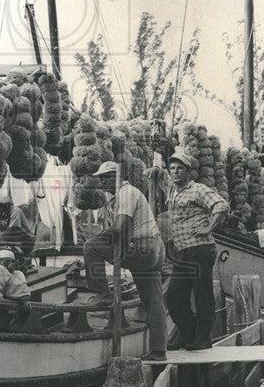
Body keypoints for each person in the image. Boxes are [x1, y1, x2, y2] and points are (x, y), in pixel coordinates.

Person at [83, 161, 167, 361]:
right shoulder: (118, 198)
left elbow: (120, 228)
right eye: (100, 178)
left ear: (116, 176)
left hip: (144, 248)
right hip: (153, 250)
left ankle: (103, 293)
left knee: (90, 246)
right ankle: (159, 351)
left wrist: (100, 236)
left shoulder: (126, 192)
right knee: (154, 302)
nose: (102, 183)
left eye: (105, 178)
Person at [164, 149, 229, 350]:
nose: (175, 172)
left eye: (180, 169)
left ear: (188, 171)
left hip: (200, 249)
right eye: (172, 168)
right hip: (183, 251)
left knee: (202, 295)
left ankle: (203, 339)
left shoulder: (198, 189)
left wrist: (209, 227)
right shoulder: (172, 189)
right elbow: (159, 177)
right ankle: (187, 331)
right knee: (173, 296)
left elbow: (221, 205)